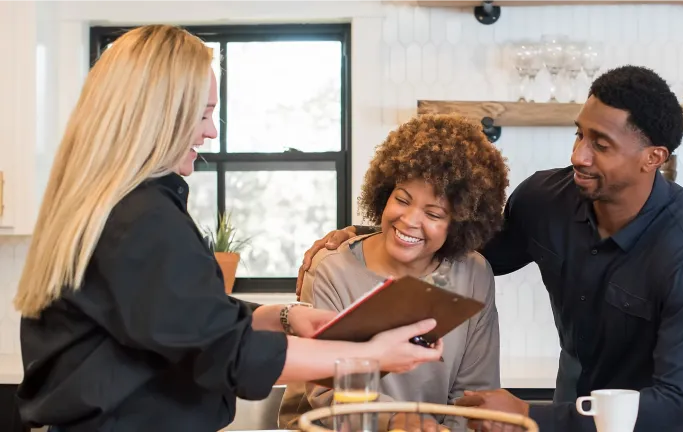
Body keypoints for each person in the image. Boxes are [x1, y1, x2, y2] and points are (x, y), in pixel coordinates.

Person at [12, 25, 442, 432]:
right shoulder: (140, 216)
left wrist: (283, 316)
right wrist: (367, 356)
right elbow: (225, 354)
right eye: (203, 114)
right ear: (160, 117)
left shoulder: (112, 205)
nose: (212, 132)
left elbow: (181, 317)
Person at [297, 65, 683, 432]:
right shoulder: (546, 199)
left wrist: (529, 414)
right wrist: (361, 234)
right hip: (565, 408)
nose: (579, 156)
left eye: (600, 145)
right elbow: (457, 243)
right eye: (579, 135)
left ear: (653, 157)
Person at [279, 113, 508, 431]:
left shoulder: (474, 275)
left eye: (433, 213)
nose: (410, 220)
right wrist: (397, 421)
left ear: (459, 225)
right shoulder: (331, 270)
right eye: (402, 199)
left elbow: (473, 395)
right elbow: (326, 393)